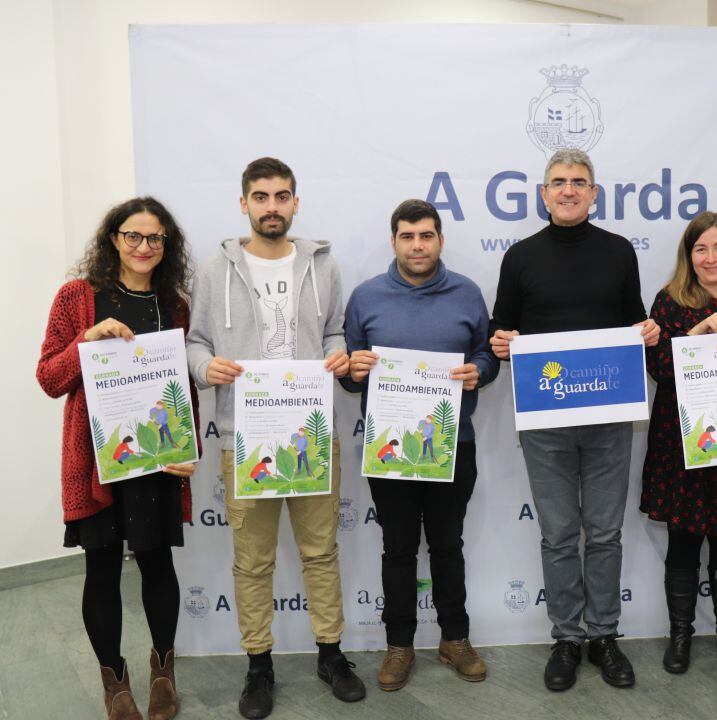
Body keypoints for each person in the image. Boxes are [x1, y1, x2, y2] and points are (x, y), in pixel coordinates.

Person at [186, 157, 364, 718]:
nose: (271, 207)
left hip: (310, 430)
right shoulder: (215, 271)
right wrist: (203, 367)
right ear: (244, 203)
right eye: (260, 197)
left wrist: (336, 353)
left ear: (295, 202)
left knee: (320, 551)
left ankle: (330, 655)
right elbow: (195, 341)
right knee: (253, 560)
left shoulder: (324, 265)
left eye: (281, 196)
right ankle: (258, 665)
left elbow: (334, 329)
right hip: (247, 435)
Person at [489, 149, 660, 691]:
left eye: (578, 182)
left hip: (611, 420)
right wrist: (500, 342)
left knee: (605, 533)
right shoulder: (519, 257)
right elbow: (501, 332)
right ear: (543, 194)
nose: (568, 190)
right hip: (546, 421)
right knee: (560, 534)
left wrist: (647, 332)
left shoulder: (618, 252)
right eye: (558, 182)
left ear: (593, 193)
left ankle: (604, 636)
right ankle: (566, 637)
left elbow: (633, 322)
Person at [37, 196, 197, 720]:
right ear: (113, 239)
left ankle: (162, 671)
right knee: (101, 570)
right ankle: (115, 681)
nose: (144, 246)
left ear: (165, 244)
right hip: (98, 462)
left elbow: (184, 391)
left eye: (155, 238)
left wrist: (187, 447)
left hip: (156, 459)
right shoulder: (77, 297)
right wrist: (87, 339)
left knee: (157, 563)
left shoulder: (173, 305)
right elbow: (49, 378)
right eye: (133, 236)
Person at [344, 199, 499, 691]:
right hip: (389, 450)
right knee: (398, 549)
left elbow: (486, 354)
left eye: (426, 236)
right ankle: (399, 645)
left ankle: (455, 639)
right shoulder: (366, 297)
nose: (417, 245)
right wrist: (353, 371)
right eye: (407, 236)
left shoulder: (468, 293)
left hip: (456, 445)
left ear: (439, 240)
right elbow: (350, 373)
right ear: (394, 241)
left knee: (448, 545)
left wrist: (481, 371)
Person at [639, 211, 717, 677]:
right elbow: (657, 369)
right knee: (683, 541)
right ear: (688, 256)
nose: (711, 257)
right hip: (680, 446)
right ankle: (680, 636)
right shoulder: (668, 302)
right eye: (701, 249)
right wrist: (692, 336)